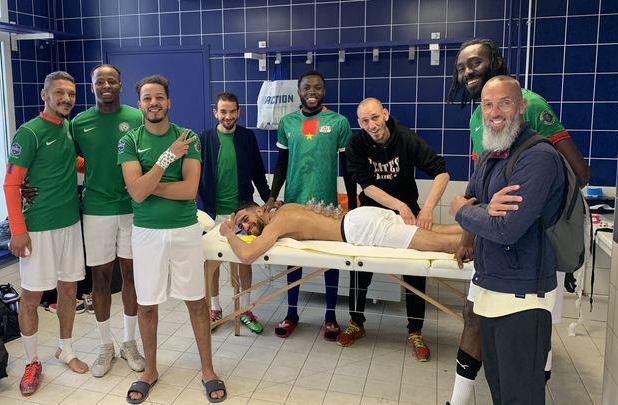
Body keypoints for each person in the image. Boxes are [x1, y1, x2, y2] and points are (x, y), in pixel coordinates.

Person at [446, 38, 591, 405]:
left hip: (532, 258)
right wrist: (470, 228)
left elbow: (576, 172)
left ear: (520, 106)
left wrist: (536, 197)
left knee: (523, 359)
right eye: (461, 67)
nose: (466, 73)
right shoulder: (481, 122)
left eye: (474, 63)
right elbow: (476, 192)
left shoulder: (533, 114)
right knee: (479, 328)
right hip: (496, 268)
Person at [117, 75, 226, 404]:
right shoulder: (129, 141)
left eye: (159, 97)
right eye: (147, 98)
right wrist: (166, 160)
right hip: (147, 234)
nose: (154, 103)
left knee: (196, 302)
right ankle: (149, 371)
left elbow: (189, 191)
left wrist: (147, 185)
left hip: (183, 232)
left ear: (169, 102)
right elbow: (135, 192)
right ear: (140, 105)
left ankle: (208, 369)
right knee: (147, 305)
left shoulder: (188, 137)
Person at [341, 98, 449, 359]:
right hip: (371, 215)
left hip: (408, 216)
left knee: (414, 271)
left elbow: (442, 172)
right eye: (365, 120)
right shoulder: (356, 145)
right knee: (360, 269)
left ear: (385, 114)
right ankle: (356, 322)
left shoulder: (406, 139)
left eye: (375, 118)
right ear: (359, 123)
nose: (372, 125)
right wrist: (398, 205)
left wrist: (427, 208)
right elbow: (367, 186)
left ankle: (415, 331)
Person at [3, 71, 88, 396]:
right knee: (32, 298)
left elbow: (65, 162)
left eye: (71, 93)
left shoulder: (67, 127)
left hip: (69, 225)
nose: (66, 98)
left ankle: (65, 348)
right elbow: (11, 183)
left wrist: (83, 165)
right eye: (59, 93)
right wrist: (18, 230)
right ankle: (31, 361)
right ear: (45, 95)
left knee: (69, 292)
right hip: (37, 229)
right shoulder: (29, 133)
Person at [263, 70, 356, 340]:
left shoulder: (338, 122)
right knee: (294, 262)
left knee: (330, 261)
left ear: (323, 91)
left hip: (326, 207)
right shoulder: (287, 123)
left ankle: (330, 317)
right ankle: (291, 314)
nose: (311, 92)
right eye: (306, 88)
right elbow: (281, 164)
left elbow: (348, 167)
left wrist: (351, 203)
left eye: (317, 87)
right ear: (299, 92)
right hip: (293, 205)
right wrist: (271, 197)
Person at [70, 64, 145, 377]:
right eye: (99, 81)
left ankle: (129, 342)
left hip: (131, 209)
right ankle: (105, 346)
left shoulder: (137, 117)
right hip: (96, 210)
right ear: (92, 87)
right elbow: (68, 164)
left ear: (120, 85)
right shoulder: (79, 123)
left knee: (131, 276)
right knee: (100, 279)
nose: (106, 86)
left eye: (111, 80)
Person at [198, 91, 271, 333]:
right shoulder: (204, 139)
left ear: (238, 112)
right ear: (215, 113)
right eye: (223, 111)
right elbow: (194, 176)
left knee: (244, 261)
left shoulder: (247, 137)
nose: (228, 116)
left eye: (232, 111)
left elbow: (258, 172)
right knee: (213, 264)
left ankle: (246, 309)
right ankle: (215, 308)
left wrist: (269, 199)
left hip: (242, 213)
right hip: (211, 213)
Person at [220, 203, 463, 264]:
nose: (247, 227)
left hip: (360, 229)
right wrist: (239, 230)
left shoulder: (277, 221)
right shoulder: (285, 209)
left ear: (261, 209)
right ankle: (475, 228)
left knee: (442, 244)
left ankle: (486, 239)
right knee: (434, 231)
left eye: (246, 220)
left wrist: (229, 232)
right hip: (360, 217)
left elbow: (248, 255)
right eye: (243, 228)